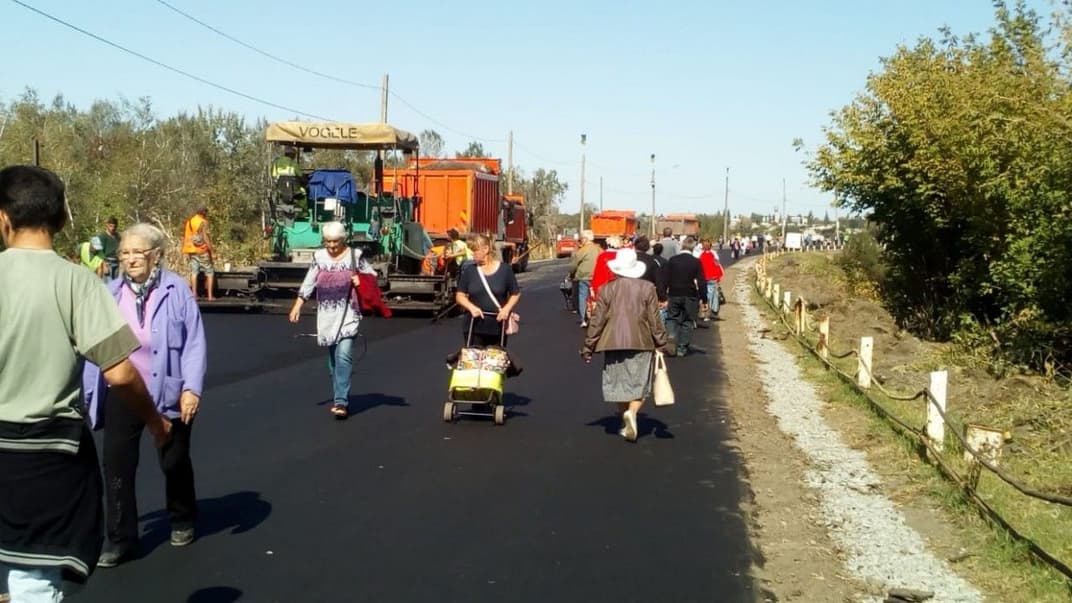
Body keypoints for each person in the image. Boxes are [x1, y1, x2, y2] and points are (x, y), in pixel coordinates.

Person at [0, 165, 170, 601]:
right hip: (46, 455)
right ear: (60, 221)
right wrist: (154, 420)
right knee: (33, 577)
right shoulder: (77, 282)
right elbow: (119, 372)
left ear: (3, 218)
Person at [81, 223, 207, 567]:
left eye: (138, 252)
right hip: (123, 390)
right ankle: (120, 538)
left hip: (168, 389)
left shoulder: (176, 290)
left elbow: (194, 343)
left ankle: (182, 517)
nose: (131, 259)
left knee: (174, 458)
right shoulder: (109, 293)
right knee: (117, 464)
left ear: (156, 256)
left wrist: (191, 388)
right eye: (125, 252)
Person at [583, 248, 669, 442]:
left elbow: (597, 320)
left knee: (618, 384)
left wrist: (589, 346)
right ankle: (632, 412)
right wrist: (661, 342)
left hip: (611, 342)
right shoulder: (647, 288)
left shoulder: (606, 289)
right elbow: (654, 320)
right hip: (641, 341)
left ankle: (625, 418)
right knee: (640, 384)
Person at [288, 222, 363, 419]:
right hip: (328, 315)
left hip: (349, 313)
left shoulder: (355, 256)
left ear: (343, 239)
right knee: (333, 361)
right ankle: (339, 388)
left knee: (344, 355)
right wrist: (298, 305)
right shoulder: (319, 257)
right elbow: (309, 281)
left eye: (335, 241)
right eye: (328, 241)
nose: (331, 245)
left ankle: (341, 402)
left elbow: (372, 277)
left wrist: (360, 281)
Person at [455, 232, 521, 347]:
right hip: (473, 326)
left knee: (495, 363)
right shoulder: (470, 271)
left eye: (475, 250)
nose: (472, 254)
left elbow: (515, 293)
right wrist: (471, 307)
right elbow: (459, 296)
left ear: (485, 249)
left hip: (497, 326)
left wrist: (506, 309)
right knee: (474, 363)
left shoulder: (505, 270)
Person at [664, 237, 708, 356]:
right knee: (688, 321)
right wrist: (704, 299)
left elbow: (665, 278)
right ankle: (682, 348)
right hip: (690, 294)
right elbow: (702, 282)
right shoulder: (696, 262)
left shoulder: (672, 260)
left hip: (674, 293)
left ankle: (672, 334)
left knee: (672, 317)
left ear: (682, 246)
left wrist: (663, 295)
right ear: (693, 247)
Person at [182, 207, 216, 301]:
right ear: (203, 212)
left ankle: (194, 294)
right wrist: (212, 251)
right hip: (202, 250)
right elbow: (205, 237)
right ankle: (210, 296)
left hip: (191, 250)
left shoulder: (190, 221)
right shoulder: (203, 222)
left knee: (194, 272)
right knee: (209, 272)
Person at [568, 230, 600, 328]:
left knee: (582, 296)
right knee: (597, 297)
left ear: (585, 239)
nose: (581, 241)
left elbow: (573, 265)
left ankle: (583, 319)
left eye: (582, 239)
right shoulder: (599, 249)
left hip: (584, 277)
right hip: (596, 277)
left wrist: (571, 273)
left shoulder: (582, 250)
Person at [698, 238, 724, 320]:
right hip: (712, 278)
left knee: (704, 295)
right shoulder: (713, 255)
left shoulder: (700, 255)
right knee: (713, 295)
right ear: (710, 246)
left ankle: (704, 312)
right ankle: (713, 311)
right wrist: (719, 277)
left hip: (703, 279)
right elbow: (717, 266)